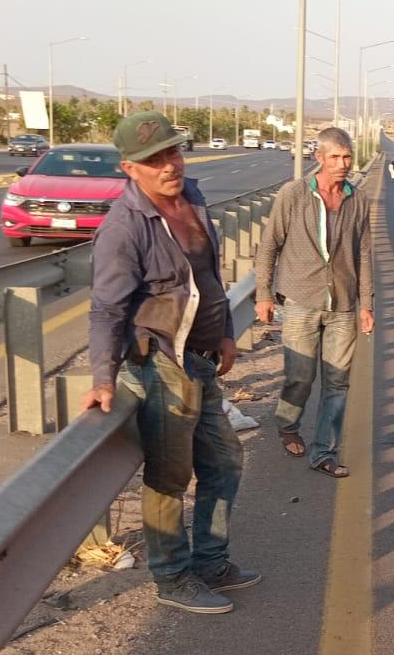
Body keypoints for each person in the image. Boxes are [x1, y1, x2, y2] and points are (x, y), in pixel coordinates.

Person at [82, 111, 258, 615]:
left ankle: (211, 561)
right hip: (161, 362)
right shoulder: (124, 227)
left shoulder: (193, 198)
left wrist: (226, 334)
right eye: (153, 159)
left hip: (201, 358)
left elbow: (209, 276)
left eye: (172, 152)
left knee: (224, 461)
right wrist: (102, 376)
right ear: (129, 169)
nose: (167, 165)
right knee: (170, 475)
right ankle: (172, 576)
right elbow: (106, 310)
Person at [255, 127, 374, 479]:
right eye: (335, 157)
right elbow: (269, 245)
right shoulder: (293, 195)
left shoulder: (358, 199)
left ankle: (325, 451)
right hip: (301, 298)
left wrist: (365, 303)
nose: (343, 164)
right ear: (319, 158)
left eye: (347, 156)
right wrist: (263, 293)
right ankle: (288, 425)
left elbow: (364, 254)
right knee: (301, 377)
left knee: (337, 382)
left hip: (342, 303)